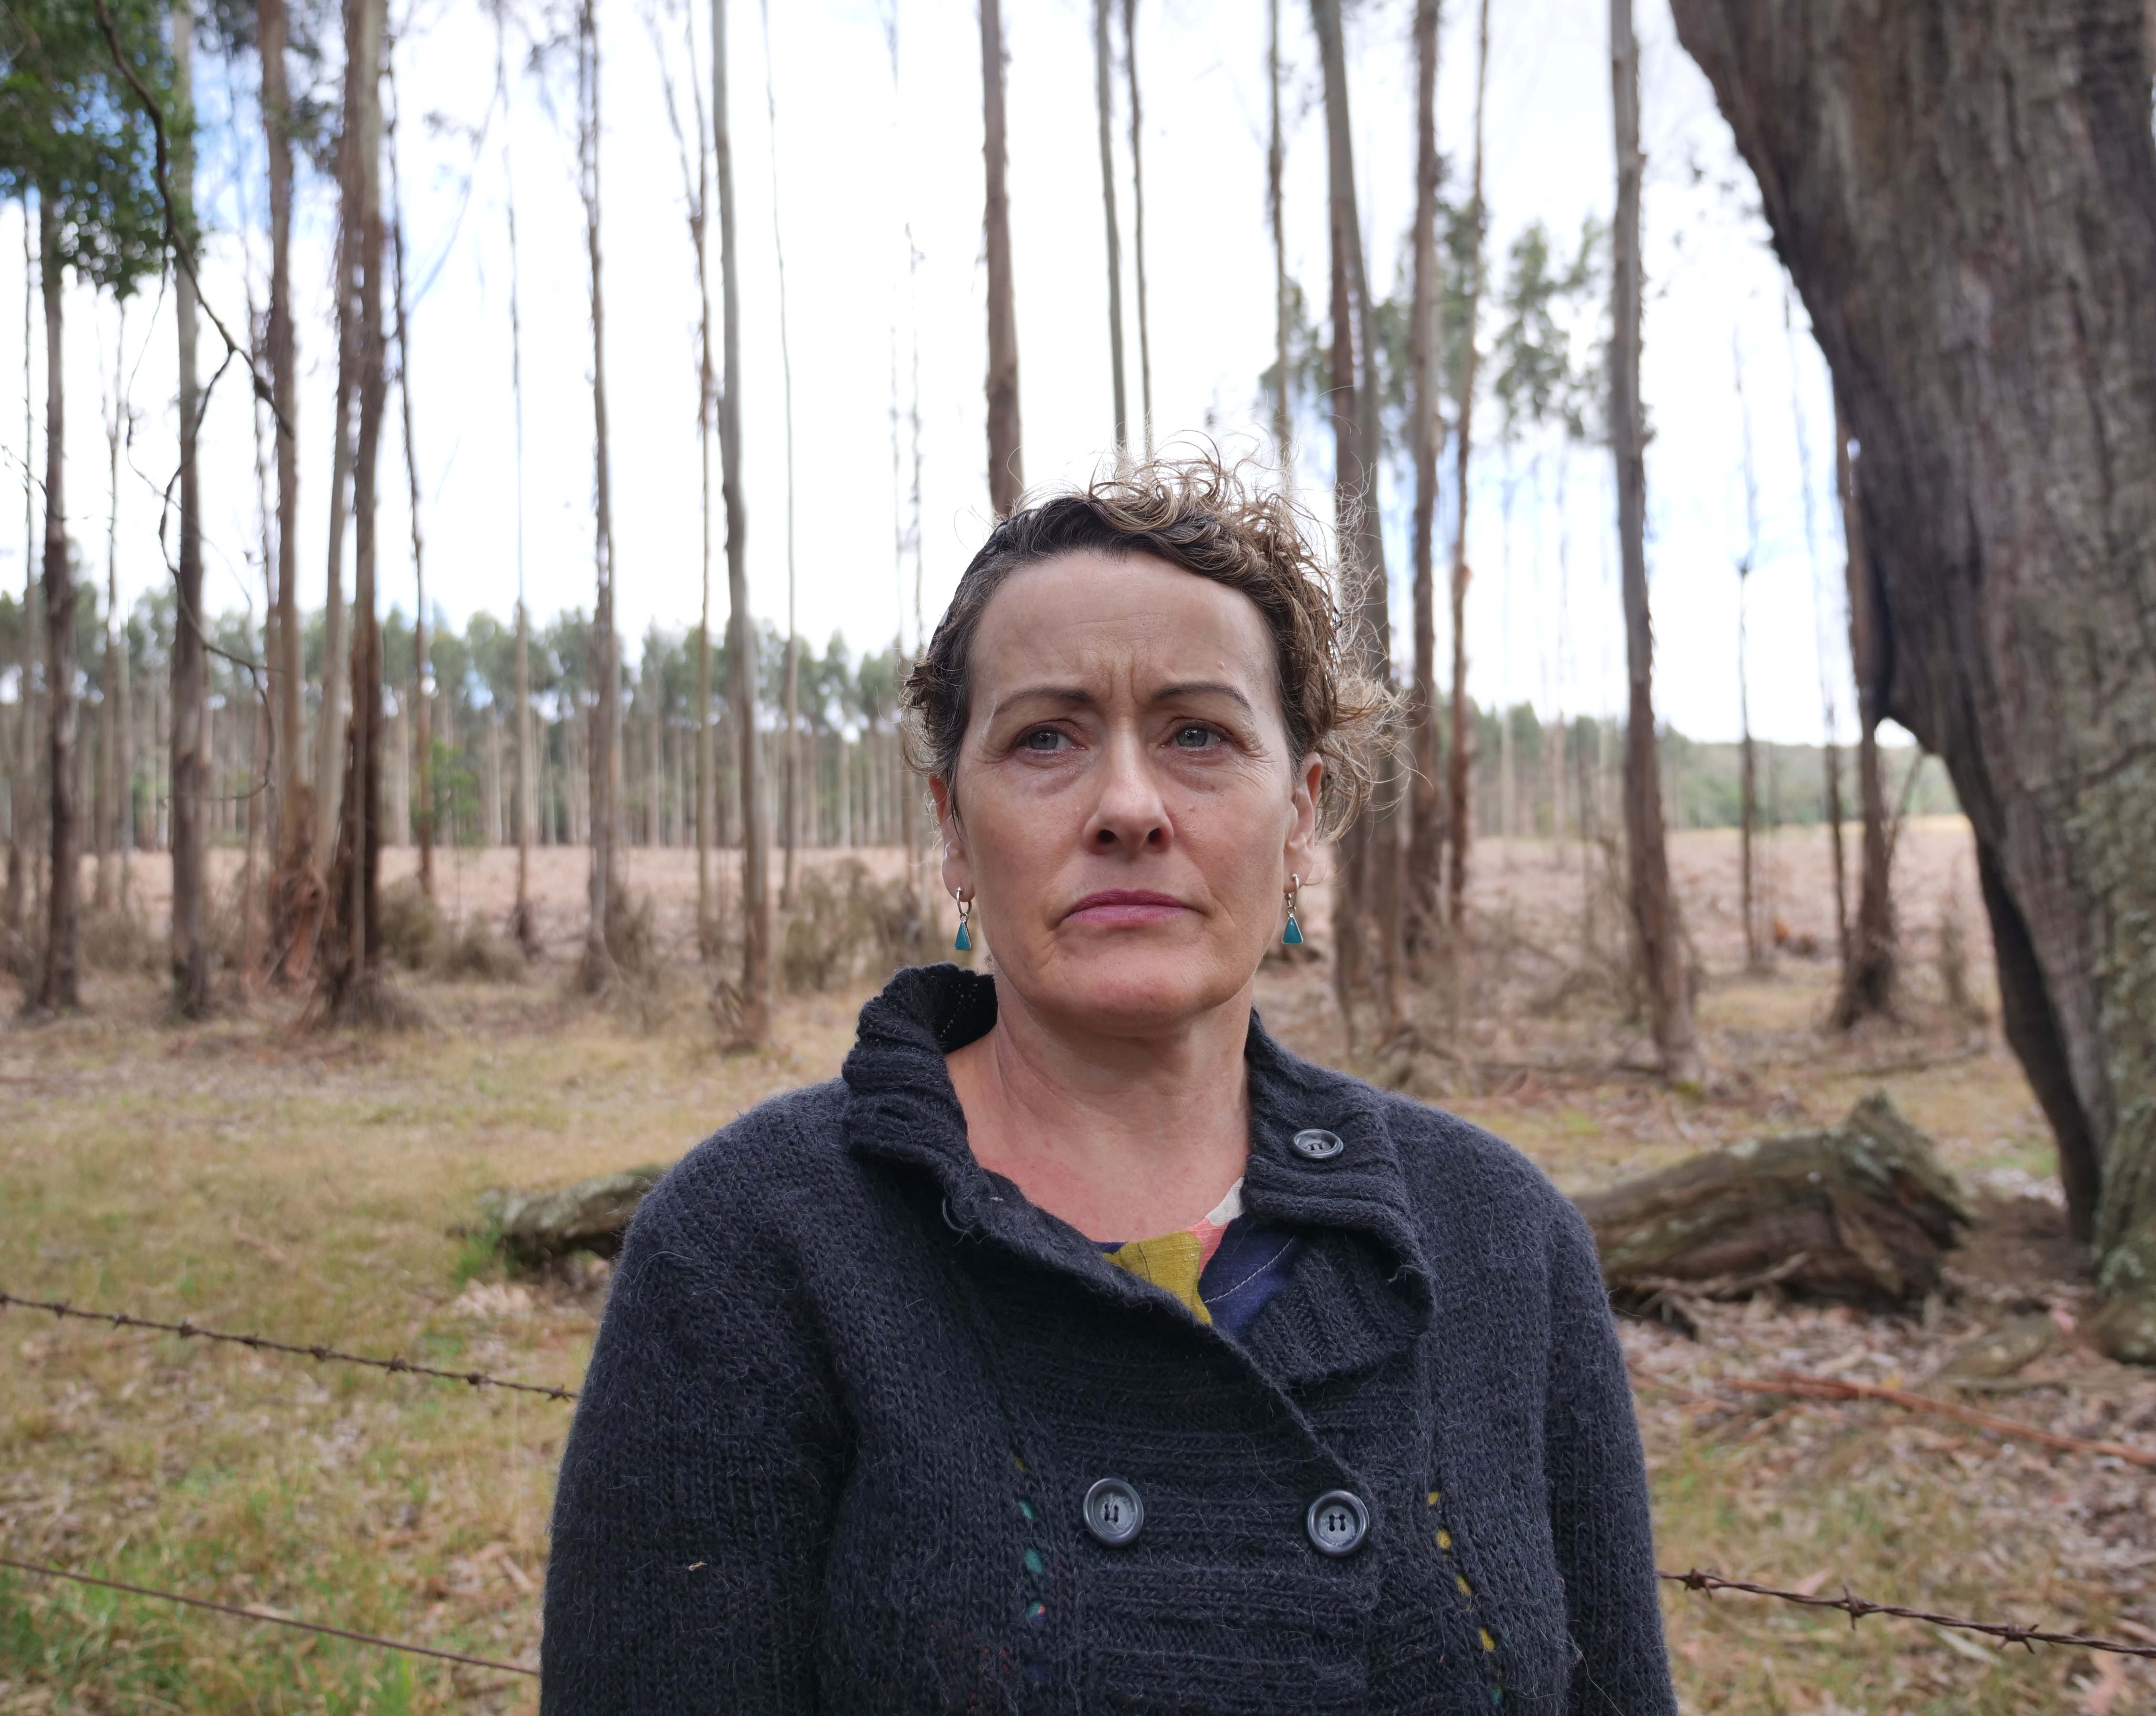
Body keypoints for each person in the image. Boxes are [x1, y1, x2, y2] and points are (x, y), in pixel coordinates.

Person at [541, 456, 1673, 1715]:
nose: (1129, 808)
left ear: (1301, 817)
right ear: (954, 827)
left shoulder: (1503, 1242)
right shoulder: (751, 1251)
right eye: (1046, 738)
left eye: (1200, 735)